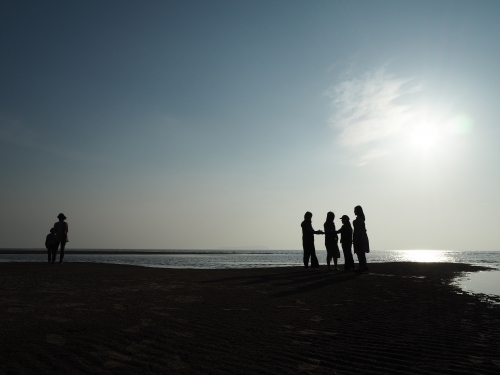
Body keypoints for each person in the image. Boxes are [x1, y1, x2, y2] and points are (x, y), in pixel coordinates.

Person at [353, 205, 370, 272]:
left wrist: (355, 239)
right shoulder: (361, 220)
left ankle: (361, 267)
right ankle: (364, 266)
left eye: (355, 210)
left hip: (360, 238)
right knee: (362, 253)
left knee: (360, 252)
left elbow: (358, 231)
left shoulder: (358, 220)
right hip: (363, 237)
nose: (354, 211)